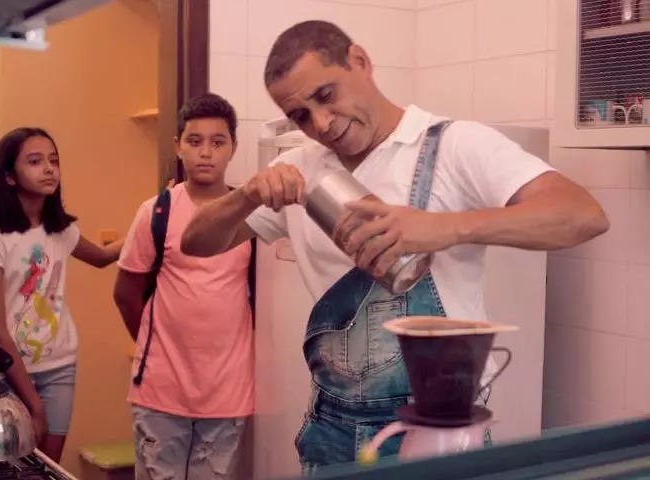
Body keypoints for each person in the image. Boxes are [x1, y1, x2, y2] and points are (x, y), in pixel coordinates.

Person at [179, 20, 610, 471]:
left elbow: (582, 214)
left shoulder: (454, 146)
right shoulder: (301, 168)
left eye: (326, 94)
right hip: (331, 430)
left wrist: (443, 228)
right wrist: (247, 195)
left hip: (437, 430)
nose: (321, 123)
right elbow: (196, 243)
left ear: (360, 62)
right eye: (301, 116)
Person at [113, 93, 254, 480]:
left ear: (233, 147)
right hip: (161, 391)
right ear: (178, 146)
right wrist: (157, 347)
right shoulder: (156, 211)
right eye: (194, 141)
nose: (205, 152)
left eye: (218, 142)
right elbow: (125, 295)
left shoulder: (250, 214)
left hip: (227, 390)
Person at [0, 127, 123, 462]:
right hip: (5, 372)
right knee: (12, 468)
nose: (49, 169)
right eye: (35, 161)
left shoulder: (60, 230)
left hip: (59, 367)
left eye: (54, 160)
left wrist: (153, 217)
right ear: (9, 176)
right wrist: (34, 405)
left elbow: (102, 258)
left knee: (46, 468)